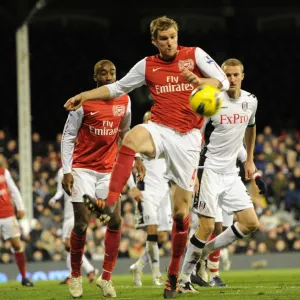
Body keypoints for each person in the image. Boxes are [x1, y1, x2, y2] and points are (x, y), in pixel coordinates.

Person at [64, 15, 229, 299]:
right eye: (163, 39)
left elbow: (223, 82)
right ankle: (109, 202)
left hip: (188, 139)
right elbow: (117, 88)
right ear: (154, 41)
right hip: (160, 128)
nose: (169, 43)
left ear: (177, 37)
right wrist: (84, 94)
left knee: (180, 214)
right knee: (130, 139)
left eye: (172, 38)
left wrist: (201, 81)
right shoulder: (147, 65)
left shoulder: (195, 55)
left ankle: (173, 275)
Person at [179, 58, 260, 293]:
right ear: (223, 76)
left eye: (236, 75)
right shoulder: (211, 100)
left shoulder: (251, 101)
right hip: (209, 170)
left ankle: (197, 255)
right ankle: (182, 279)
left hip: (231, 173)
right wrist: (193, 173)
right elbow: (194, 138)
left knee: (250, 223)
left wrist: (250, 159)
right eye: (228, 75)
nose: (232, 79)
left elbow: (251, 128)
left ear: (242, 76)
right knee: (205, 227)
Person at [61, 59, 131, 298]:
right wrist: (67, 170)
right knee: (81, 224)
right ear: (96, 78)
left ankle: (106, 279)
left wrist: (136, 157)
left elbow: (124, 133)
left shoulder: (125, 100)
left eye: (112, 72)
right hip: (82, 169)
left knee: (115, 221)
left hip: (108, 170)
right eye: (103, 73)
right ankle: (76, 276)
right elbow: (68, 137)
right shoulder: (84, 102)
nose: (109, 76)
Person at [191, 146, 267, 288]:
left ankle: (206, 262)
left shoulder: (234, 137)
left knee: (226, 229)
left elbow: (245, 158)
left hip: (230, 183)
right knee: (216, 228)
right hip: (210, 180)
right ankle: (209, 273)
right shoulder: (211, 134)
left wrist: (257, 177)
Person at [128, 111, 172, 286]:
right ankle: (156, 275)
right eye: (150, 120)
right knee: (152, 233)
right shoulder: (137, 146)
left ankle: (138, 266)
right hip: (147, 194)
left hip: (164, 194)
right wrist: (133, 187)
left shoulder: (164, 142)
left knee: (161, 236)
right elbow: (124, 166)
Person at [48, 167, 98, 285]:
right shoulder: (62, 171)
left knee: (69, 247)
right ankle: (88, 270)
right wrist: (54, 198)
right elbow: (60, 190)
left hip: (75, 215)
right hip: (68, 214)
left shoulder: (83, 169)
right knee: (70, 248)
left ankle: (72, 275)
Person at [0, 154, 33, 287]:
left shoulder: (4, 173)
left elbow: (13, 190)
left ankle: (24, 277)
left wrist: (20, 207)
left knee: (17, 245)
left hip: (7, 214)